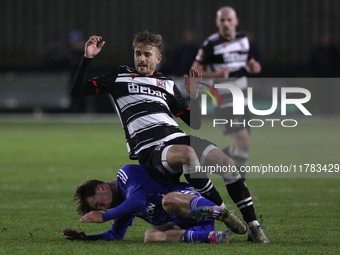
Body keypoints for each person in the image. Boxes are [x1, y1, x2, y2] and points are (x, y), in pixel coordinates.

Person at [71, 30, 269, 242]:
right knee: (186, 154)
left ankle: (254, 228)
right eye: (138, 53)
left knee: (227, 164)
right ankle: (221, 210)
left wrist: (195, 96)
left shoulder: (166, 84)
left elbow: (195, 122)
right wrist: (87, 58)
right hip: (150, 149)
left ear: (158, 58)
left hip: (177, 138)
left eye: (147, 54)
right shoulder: (119, 77)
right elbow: (78, 90)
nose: (141, 58)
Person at [63, 164, 243, 243]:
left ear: (102, 188)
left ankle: (220, 213)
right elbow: (114, 236)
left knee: (168, 201)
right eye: (99, 209)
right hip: (187, 223)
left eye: (99, 204)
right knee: (150, 236)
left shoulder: (125, 174)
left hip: (188, 202)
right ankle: (213, 237)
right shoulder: (122, 206)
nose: (104, 208)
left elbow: (138, 200)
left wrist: (104, 216)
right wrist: (87, 238)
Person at [192, 6, 262, 181]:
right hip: (224, 98)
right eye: (222, 20)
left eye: (229, 20)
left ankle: (206, 162)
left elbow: (248, 62)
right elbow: (194, 71)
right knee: (243, 141)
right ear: (217, 23)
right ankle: (241, 185)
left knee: (240, 145)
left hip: (243, 97)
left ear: (236, 22)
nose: (226, 24)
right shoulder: (211, 44)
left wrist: (253, 67)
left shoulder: (243, 40)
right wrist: (215, 75)